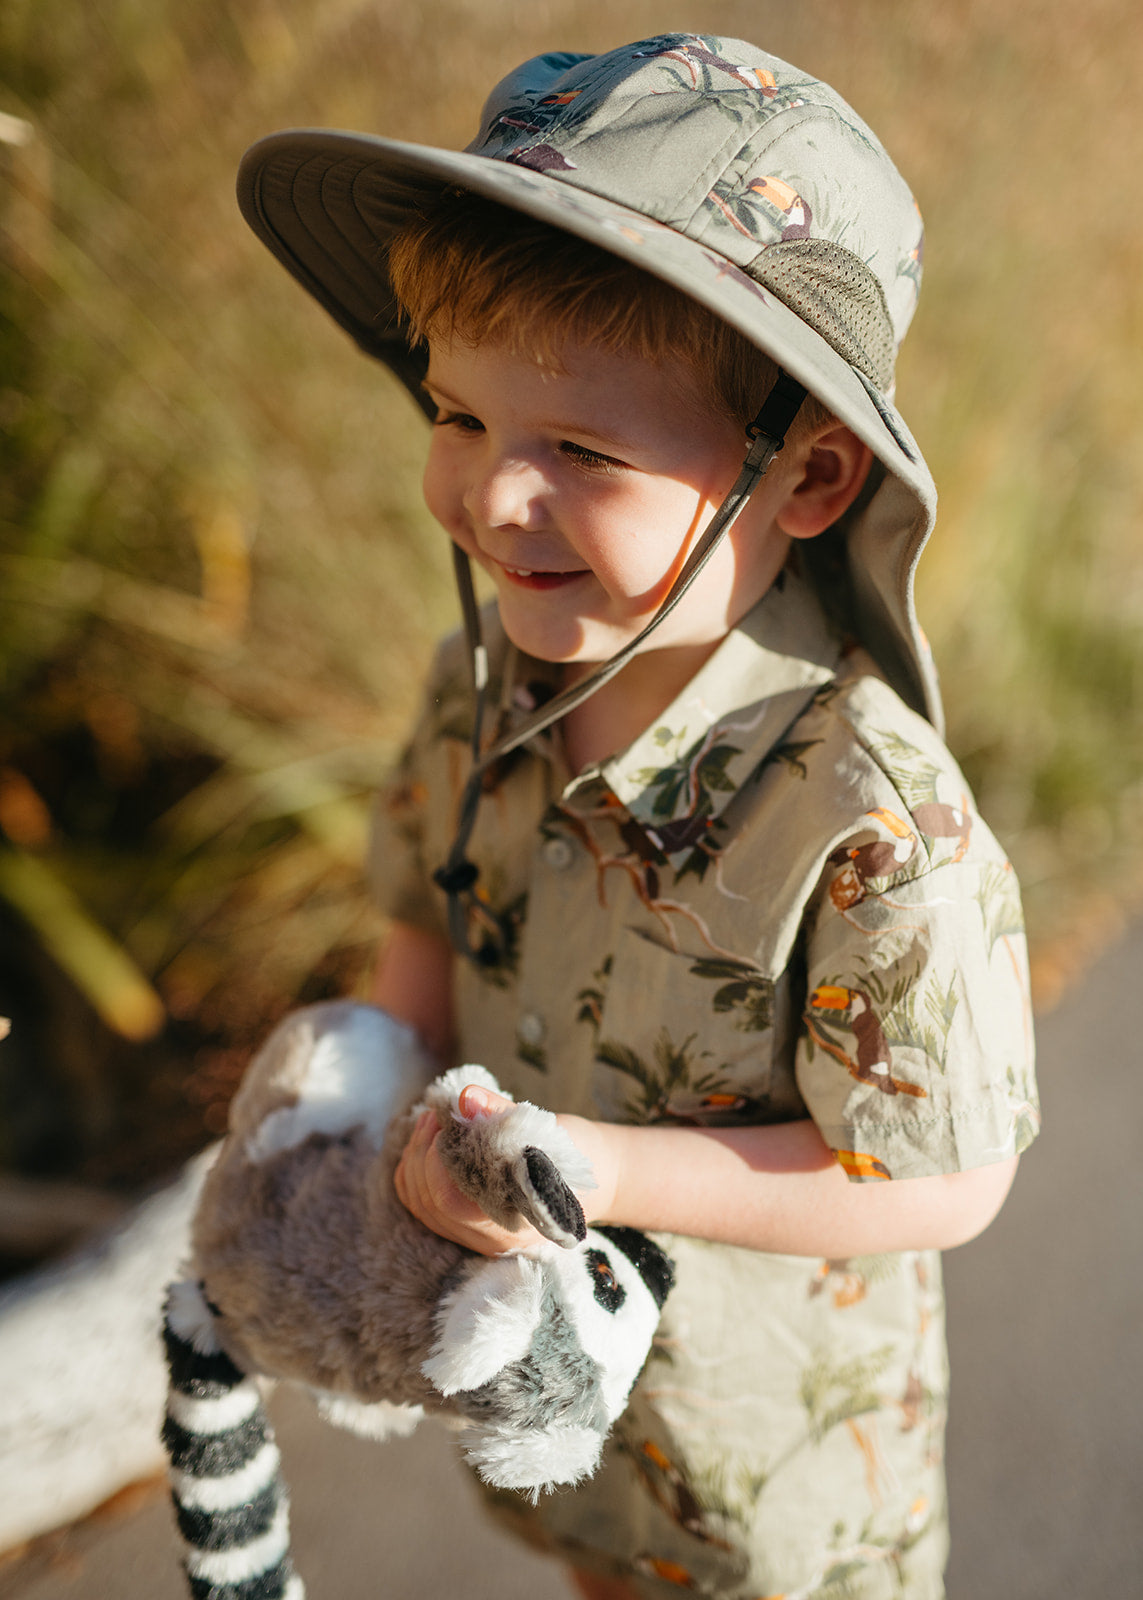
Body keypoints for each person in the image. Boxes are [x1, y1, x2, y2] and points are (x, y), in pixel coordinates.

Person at [236, 34, 1039, 1599]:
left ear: (805, 481)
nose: (494, 498)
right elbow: (426, 910)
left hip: (778, 1496)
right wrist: (364, 1090)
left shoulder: (870, 811)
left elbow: (949, 1174)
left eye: (582, 452)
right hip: (564, 1431)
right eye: (459, 417)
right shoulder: (476, 683)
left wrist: (596, 1171)